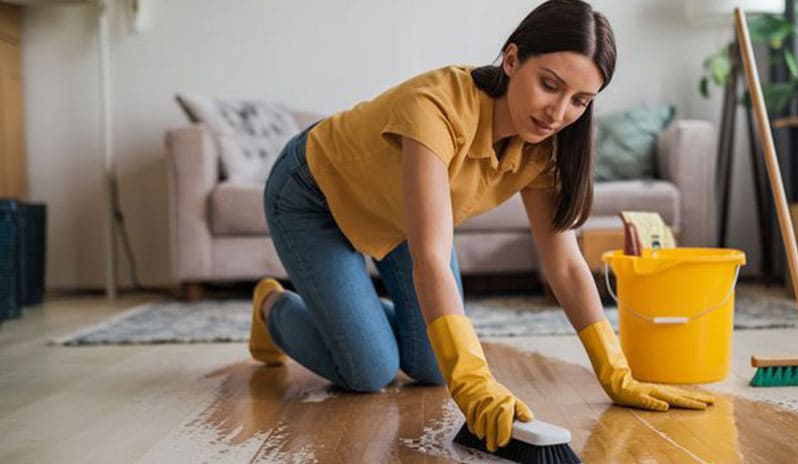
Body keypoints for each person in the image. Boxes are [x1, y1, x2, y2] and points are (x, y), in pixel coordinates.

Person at [250, 0, 715, 453]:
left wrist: (615, 371)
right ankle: (273, 308)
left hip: (403, 218)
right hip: (315, 197)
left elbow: (566, 265)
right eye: (549, 85)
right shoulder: (435, 107)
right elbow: (431, 256)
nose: (558, 113)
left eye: (580, 100)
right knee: (369, 371)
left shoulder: (545, 148)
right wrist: (474, 381)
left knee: (433, 363)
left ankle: (353, 318)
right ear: (512, 60)